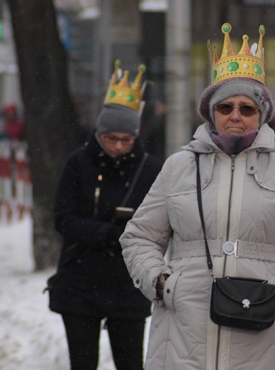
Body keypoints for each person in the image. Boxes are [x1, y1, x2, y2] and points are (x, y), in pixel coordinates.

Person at [121, 23, 275, 369]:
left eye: (247, 108)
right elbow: (139, 237)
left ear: (262, 114)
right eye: (225, 107)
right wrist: (161, 283)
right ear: (211, 112)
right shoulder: (178, 166)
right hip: (184, 336)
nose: (235, 116)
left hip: (264, 335)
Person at [47, 61, 163, 370]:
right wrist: (107, 233)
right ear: (99, 133)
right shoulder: (78, 163)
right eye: (112, 138)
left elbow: (162, 219)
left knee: (130, 363)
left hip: (129, 280)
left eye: (127, 140)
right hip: (81, 278)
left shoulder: (149, 168)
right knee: (83, 363)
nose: (119, 146)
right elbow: (63, 218)